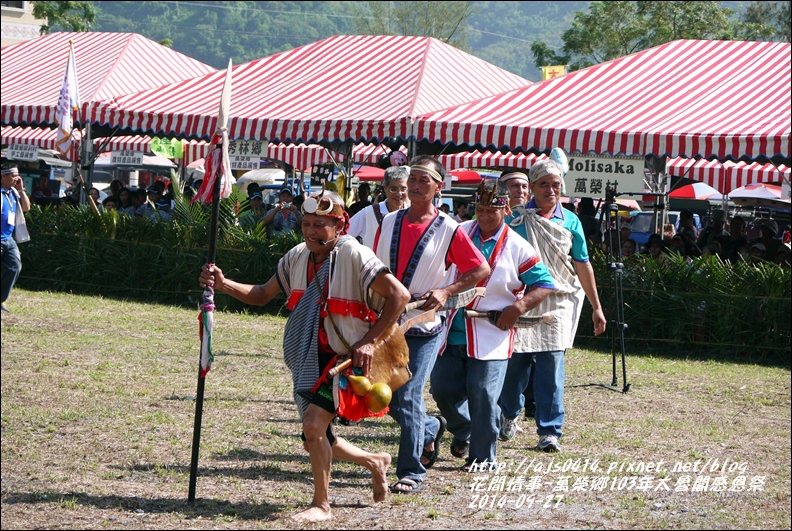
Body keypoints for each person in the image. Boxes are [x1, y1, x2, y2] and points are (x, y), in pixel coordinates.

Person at [198, 190, 410, 523]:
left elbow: (400, 295)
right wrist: (225, 285)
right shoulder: (297, 256)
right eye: (306, 224)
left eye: (320, 225)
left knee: (314, 426)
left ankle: (322, 505)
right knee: (316, 437)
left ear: (339, 226)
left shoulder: (354, 253)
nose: (311, 231)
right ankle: (374, 461)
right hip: (311, 356)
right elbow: (263, 294)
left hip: (344, 361)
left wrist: (369, 342)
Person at [374, 155, 490, 493]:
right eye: (414, 177)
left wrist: (446, 290)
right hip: (386, 317)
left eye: (425, 179)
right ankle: (428, 429)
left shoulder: (450, 228)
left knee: (408, 394)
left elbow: (479, 270)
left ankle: (411, 471)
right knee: (389, 399)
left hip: (423, 320)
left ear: (439, 187)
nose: (416, 184)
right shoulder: (390, 220)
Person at [430, 179, 554, 471]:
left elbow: (545, 284)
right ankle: (468, 430)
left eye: (492, 211)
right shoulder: (459, 232)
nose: (485, 217)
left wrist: (518, 307)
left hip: (491, 330)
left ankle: (483, 457)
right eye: (481, 210)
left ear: (506, 209)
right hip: (453, 326)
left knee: (483, 392)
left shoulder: (517, 246)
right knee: (442, 389)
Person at [498, 158, 607, 452]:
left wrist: (597, 306)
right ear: (532, 187)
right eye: (543, 184)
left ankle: (550, 430)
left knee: (551, 366)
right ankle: (508, 413)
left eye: (555, 184)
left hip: (559, 300)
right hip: (522, 300)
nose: (550, 190)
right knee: (515, 367)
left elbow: (582, 264)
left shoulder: (571, 221)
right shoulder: (515, 218)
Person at [348, 165, 410, 249]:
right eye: (393, 189)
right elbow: (344, 234)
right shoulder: (369, 213)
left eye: (403, 189)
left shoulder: (412, 214)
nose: (399, 194)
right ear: (385, 188)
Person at [1, 163, 31, 312]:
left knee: (15, 267)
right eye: (13, 176)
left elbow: (26, 207)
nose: (16, 178)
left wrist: (21, 189)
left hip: (9, 239)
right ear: (3, 176)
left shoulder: (13, 192)